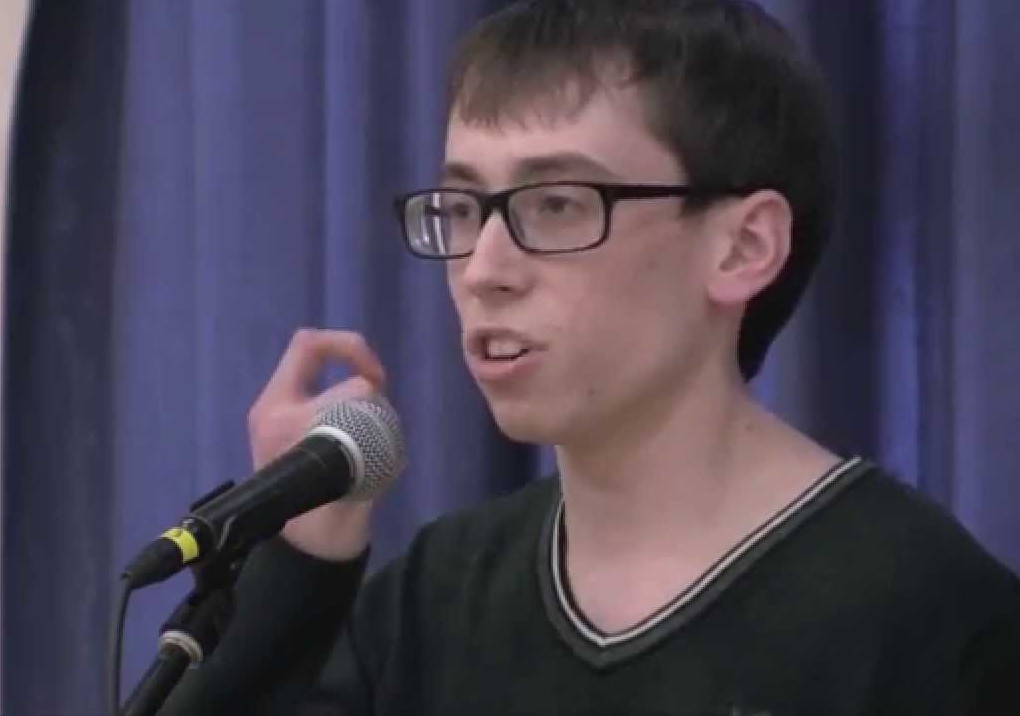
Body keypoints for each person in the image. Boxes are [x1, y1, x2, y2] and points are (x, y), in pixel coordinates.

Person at [161, 1, 1020, 713]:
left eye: (558, 204)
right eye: (463, 207)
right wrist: (300, 556)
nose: (485, 269)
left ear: (743, 246)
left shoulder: (926, 615)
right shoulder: (436, 596)